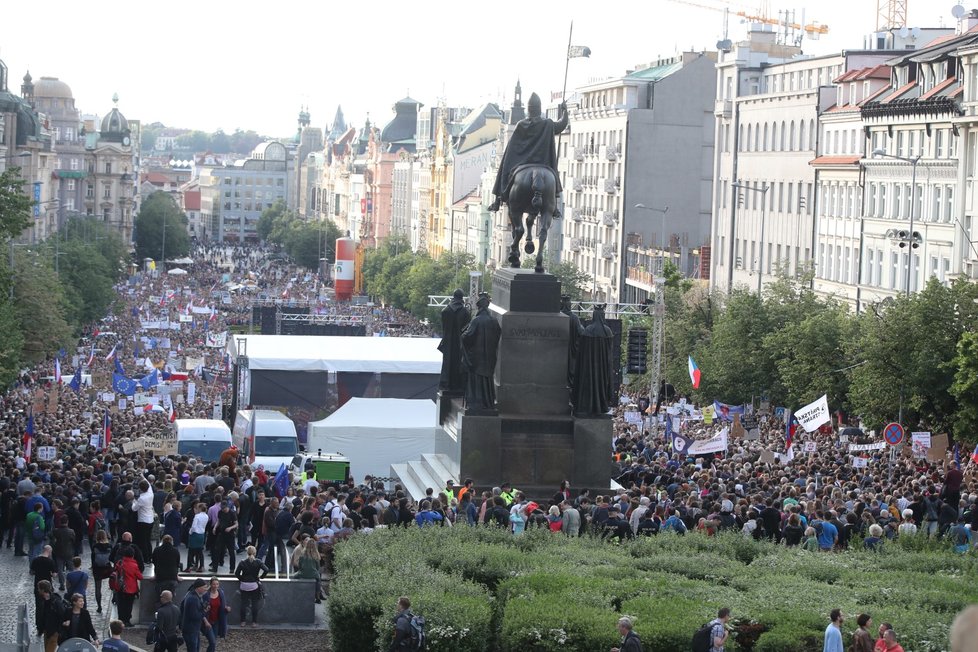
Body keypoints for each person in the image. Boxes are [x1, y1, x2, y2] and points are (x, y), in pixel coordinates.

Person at [489, 92, 568, 213]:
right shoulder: (547, 124)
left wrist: (508, 160)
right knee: (553, 179)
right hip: (544, 164)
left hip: (522, 163)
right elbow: (562, 125)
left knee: (505, 162)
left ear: (529, 110)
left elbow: (511, 149)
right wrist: (564, 112)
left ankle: (498, 198)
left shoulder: (521, 124)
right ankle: (554, 206)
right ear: (539, 108)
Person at [460, 293, 501, 412]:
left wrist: (463, 335)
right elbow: (498, 335)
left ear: (479, 307)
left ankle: (477, 402)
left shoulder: (476, 321)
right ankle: (488, 402)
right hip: (490, 356)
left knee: (477, 379)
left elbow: (468, 336)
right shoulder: (494, 321)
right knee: (488, 379)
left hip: (477, 357)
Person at [437, 289, 470, 393]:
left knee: (447, 363)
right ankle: (457, 385)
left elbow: (444, 328)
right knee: (458, 363)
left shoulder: (445, 311)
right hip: (460, 343)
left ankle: (446, 384)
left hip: (448, 342)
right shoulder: (465, 312)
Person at [234, 545, 268, 627]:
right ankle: (254, 622)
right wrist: (261, 577)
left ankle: (243, 621)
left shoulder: (242, 562)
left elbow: (236, 573)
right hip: (254, 585)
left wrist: (242, 579)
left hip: (244, 585)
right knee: (254, 603)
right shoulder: (258, 561)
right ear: (255, 553)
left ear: (247, 552)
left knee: (243, 604)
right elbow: (266, 569)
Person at [114, 548, 143, 628]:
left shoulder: (120, 563)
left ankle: (120, 620)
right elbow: (140, 577)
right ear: (133, 555)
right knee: (128, 605)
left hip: (120, 587)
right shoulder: (134, 565)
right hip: (130, 589)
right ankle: (127, 621)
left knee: (121, 604)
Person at [180, 579, 210, 652]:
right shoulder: (193, 598)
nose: (206, 590)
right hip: (191, 630)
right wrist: (204, 611)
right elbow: (194, 616)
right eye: (204, 587)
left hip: (191, 629)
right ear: (198, 588)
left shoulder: (191, 595)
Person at [35, 581, 65, 652]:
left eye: (39, 589)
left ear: (43, 590)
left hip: (54, 631)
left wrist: (58, 630)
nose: (38, 590)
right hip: (46, 630)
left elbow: (62, 614)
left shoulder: (55, 601)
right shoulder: (43, 600)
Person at [152, 535, 182, 601]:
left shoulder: (157, 550)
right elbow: (177, 564)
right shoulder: (175, 551)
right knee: (170, 598)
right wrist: (176, 576)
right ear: (172, 541)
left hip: (160, 578)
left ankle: (159, 610)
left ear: (162, 541)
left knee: (160, 598)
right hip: (172, 578)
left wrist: (155, 575)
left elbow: (154, 562)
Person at [203, 577, 229, 652]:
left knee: (213, 642)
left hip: (216, 621)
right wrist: (205, 621)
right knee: (212, 642)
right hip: (208, 621)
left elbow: (223, 605)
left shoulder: (221, 593)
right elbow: (203, 610)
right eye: (214, 584)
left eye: (217, 584)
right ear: (210, 584)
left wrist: (227, 609)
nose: (215, 586)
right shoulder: (206, 595)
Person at [91, 529, 113, 614]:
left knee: (98, 588)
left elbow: (93, 559)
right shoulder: (109, 546)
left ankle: (99, 606)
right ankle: (114, 597)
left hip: (98, 568)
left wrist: (93, 568)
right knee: (113, 583)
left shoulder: (95, 546)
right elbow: (111, 558)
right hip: (107, 567)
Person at [188, 502, 208, 573]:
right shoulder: (206, 516)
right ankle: (201, 566)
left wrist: (190, 532)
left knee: (191, 551)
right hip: (202, 534)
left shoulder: (197, 516)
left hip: (195, 534)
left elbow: (193, 526)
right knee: (200, 551)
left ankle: (189, 567)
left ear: (199, 508)